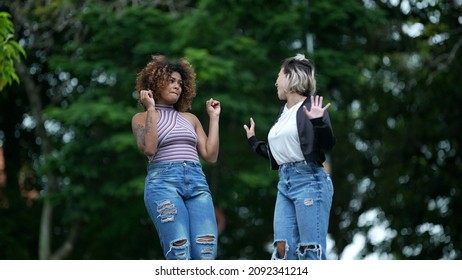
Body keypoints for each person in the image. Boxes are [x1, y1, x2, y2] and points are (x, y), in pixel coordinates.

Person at [243, 54, 335, 260]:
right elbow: (278, 154)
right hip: (285, 183)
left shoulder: (312, 107)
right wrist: (253, 142)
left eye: (278, 76)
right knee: (282, 250)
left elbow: (327, 145)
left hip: (309, 181)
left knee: (310, 250)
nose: (275, 81)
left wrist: (319, 122)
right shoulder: (283, 112)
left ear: (290, 77)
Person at [131, 55, 221, 260]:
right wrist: (151, 108)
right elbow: (150, 148)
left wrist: (214, 119)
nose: (177, 86)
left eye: (180, 83)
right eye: (171, 81)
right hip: (163, 184)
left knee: (206, 253)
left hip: (197, 184)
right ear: (155, 83)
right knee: (180, 253)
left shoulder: (190, 118)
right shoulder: (141, 118)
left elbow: (210, 155)